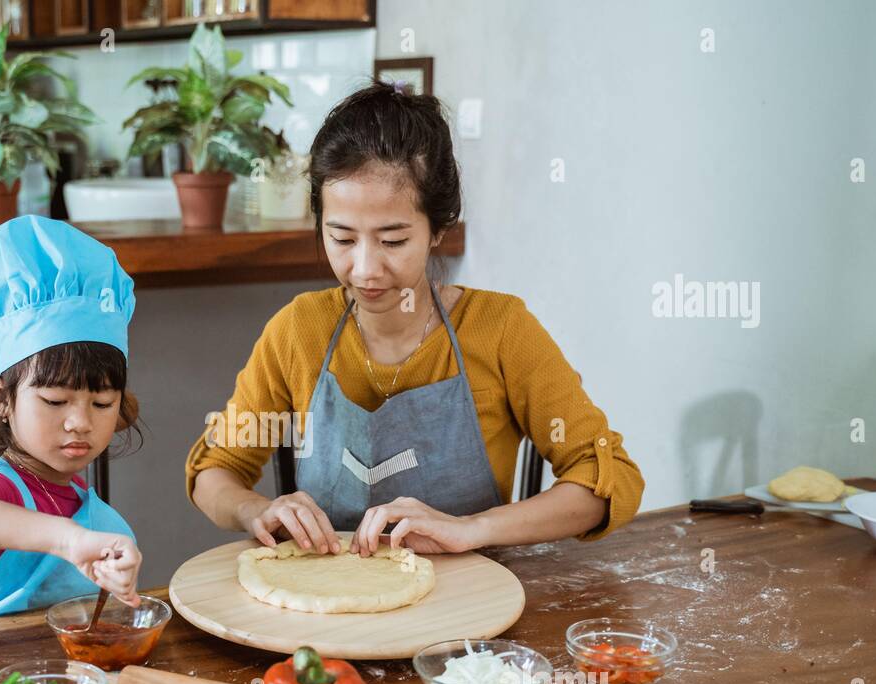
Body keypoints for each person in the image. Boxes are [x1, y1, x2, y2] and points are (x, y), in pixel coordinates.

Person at [186, 81, 644, 556]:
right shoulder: (298, 329)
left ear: (439, 228)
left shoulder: (501, 329)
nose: (364, 269)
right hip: (326, 614)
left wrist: (474, 529)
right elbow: (214, 471)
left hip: (467, 614)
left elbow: (607, 480)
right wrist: (254, 510)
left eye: (392, 240)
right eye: (342, 239)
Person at [0, 216, 143, 621]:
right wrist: (68, 541)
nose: (80, 422)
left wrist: (114, 577)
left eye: (102, 403)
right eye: (56, 401)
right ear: (0, 397)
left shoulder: (77, 499)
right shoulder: (0, 489)